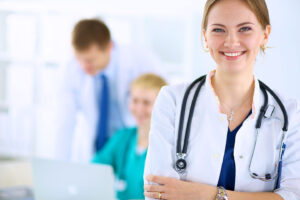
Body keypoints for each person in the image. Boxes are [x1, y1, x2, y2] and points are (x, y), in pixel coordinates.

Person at [143, 0, 300, 200]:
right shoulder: (173, 101)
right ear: (205, 37)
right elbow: (157, 192)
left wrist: (209, 195)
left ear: (265, 34)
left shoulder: (290, 113)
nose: (231, 42)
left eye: (244, 29)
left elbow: (293, 195)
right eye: (218, 30)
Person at [54, 19, 163, 162]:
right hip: (100, 148)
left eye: (90, 60)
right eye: (79, 59)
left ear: (109, 47)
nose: (83, 66)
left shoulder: (141, 60)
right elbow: (64, 122)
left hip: (134, 143)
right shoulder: (72, 69)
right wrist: (59, 165)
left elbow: (164, 102)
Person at [92, 73, 167, 200]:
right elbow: (94, 169)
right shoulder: (122, 138)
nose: (139, 109)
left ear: (163, 105)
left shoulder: (168, 146)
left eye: (146, 103)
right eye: (135, 100)